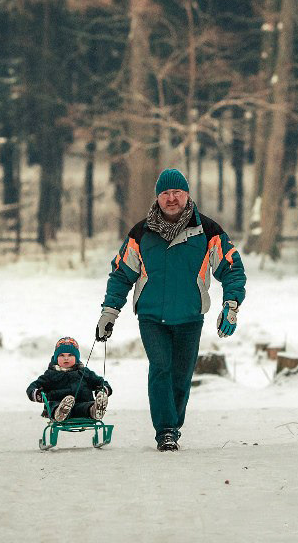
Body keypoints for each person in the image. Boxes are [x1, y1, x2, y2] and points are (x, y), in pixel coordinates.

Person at [96, 168, 246, 451]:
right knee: (161, 367)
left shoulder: (209, 231)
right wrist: (109, 312)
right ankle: (165, 430)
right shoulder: (140, 233)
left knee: (181, 374)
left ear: (187, 194)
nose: (171, 198)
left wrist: (231, 305)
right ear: (158, 197)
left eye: (177, 192)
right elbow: (121, 274)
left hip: (190, 316)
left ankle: (173, 426)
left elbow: (232, 269)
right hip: (152, 316)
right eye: (165, 193)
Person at [26, 336, 111, 422]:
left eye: (70, 355)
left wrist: (102, 389)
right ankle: (60, 413)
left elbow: (100, 382)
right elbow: (33, 386)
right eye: (62, 355)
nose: (66, 358)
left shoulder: (84, 372)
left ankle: (94, 410)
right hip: (58, 404)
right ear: (56, 358)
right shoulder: (50, 374)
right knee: (53, 404)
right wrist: (37, 394)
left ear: (76, 358)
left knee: (87, 406)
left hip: (81, 406)